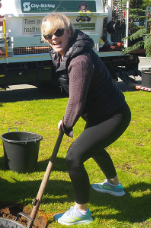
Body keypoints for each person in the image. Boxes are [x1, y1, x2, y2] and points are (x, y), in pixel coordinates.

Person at [41, 13, 131, 225]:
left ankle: (82, 212)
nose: (53, 38)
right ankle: (114, 185)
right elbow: (75, 95)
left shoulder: (80, 59)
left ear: (69, 31)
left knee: (74, 158)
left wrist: (67, 123)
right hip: (100, 113)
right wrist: (66, 119)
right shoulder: (65, 53)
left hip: (113, 115)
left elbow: (77, 100)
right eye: (48, 35)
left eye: (58, 32)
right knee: (94, 147)